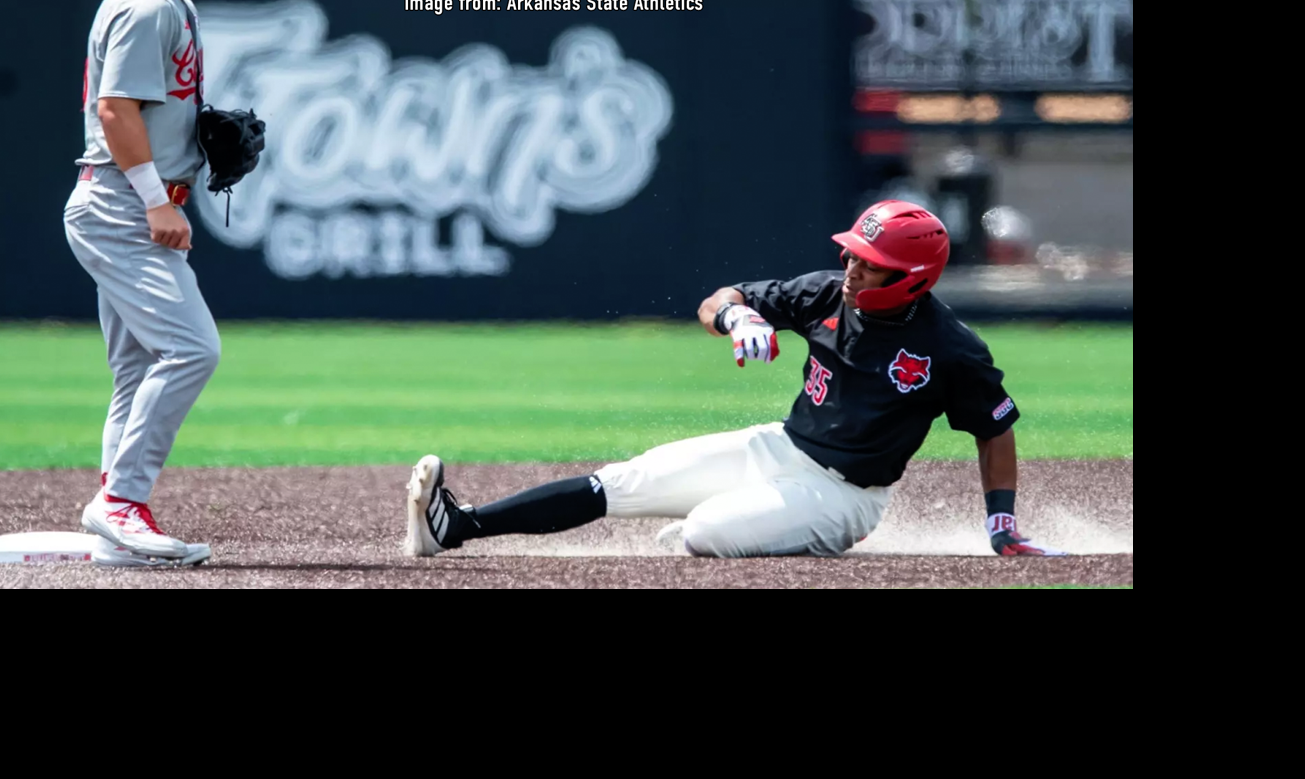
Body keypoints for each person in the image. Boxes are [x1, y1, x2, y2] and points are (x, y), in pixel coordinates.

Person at [403, 200, 1066, 559]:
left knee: (706, 532)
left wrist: (1001, 522)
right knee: (625, 480)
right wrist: (736, 317)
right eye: (853, 256)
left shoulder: (951, 348)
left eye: (872, 264)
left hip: (845, 498)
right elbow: (719, 296)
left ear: (914, 277)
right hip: (780, 448)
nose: (854, 270)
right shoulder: (827, 292)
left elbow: (994, 429)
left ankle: (756, 528)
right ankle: (459, 527)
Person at [65, 0, 219, 567]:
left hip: (124, 197)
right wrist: (158, 202)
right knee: (191, 349)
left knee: (136, 367)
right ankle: (121, 501)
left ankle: (116, 530)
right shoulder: (146, 4)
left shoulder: (170, 2)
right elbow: (115, 111)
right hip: (123, 203)